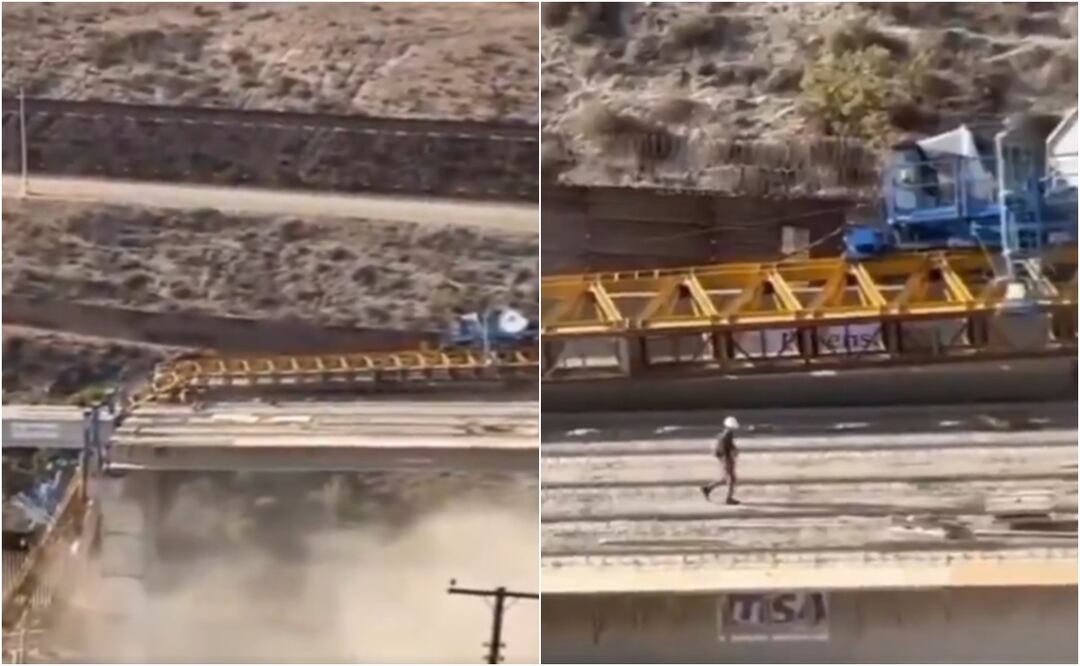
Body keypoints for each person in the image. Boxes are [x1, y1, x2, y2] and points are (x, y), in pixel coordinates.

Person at [701, 416, 741, 505]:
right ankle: (728, 499)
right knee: (731, 480)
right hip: (726, 460)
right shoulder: (726, 436)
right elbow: (726, 449)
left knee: (725, 479)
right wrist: (732, 455)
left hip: (725, 460)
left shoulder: (726, 435)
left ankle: (707, 488)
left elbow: (727, 448)